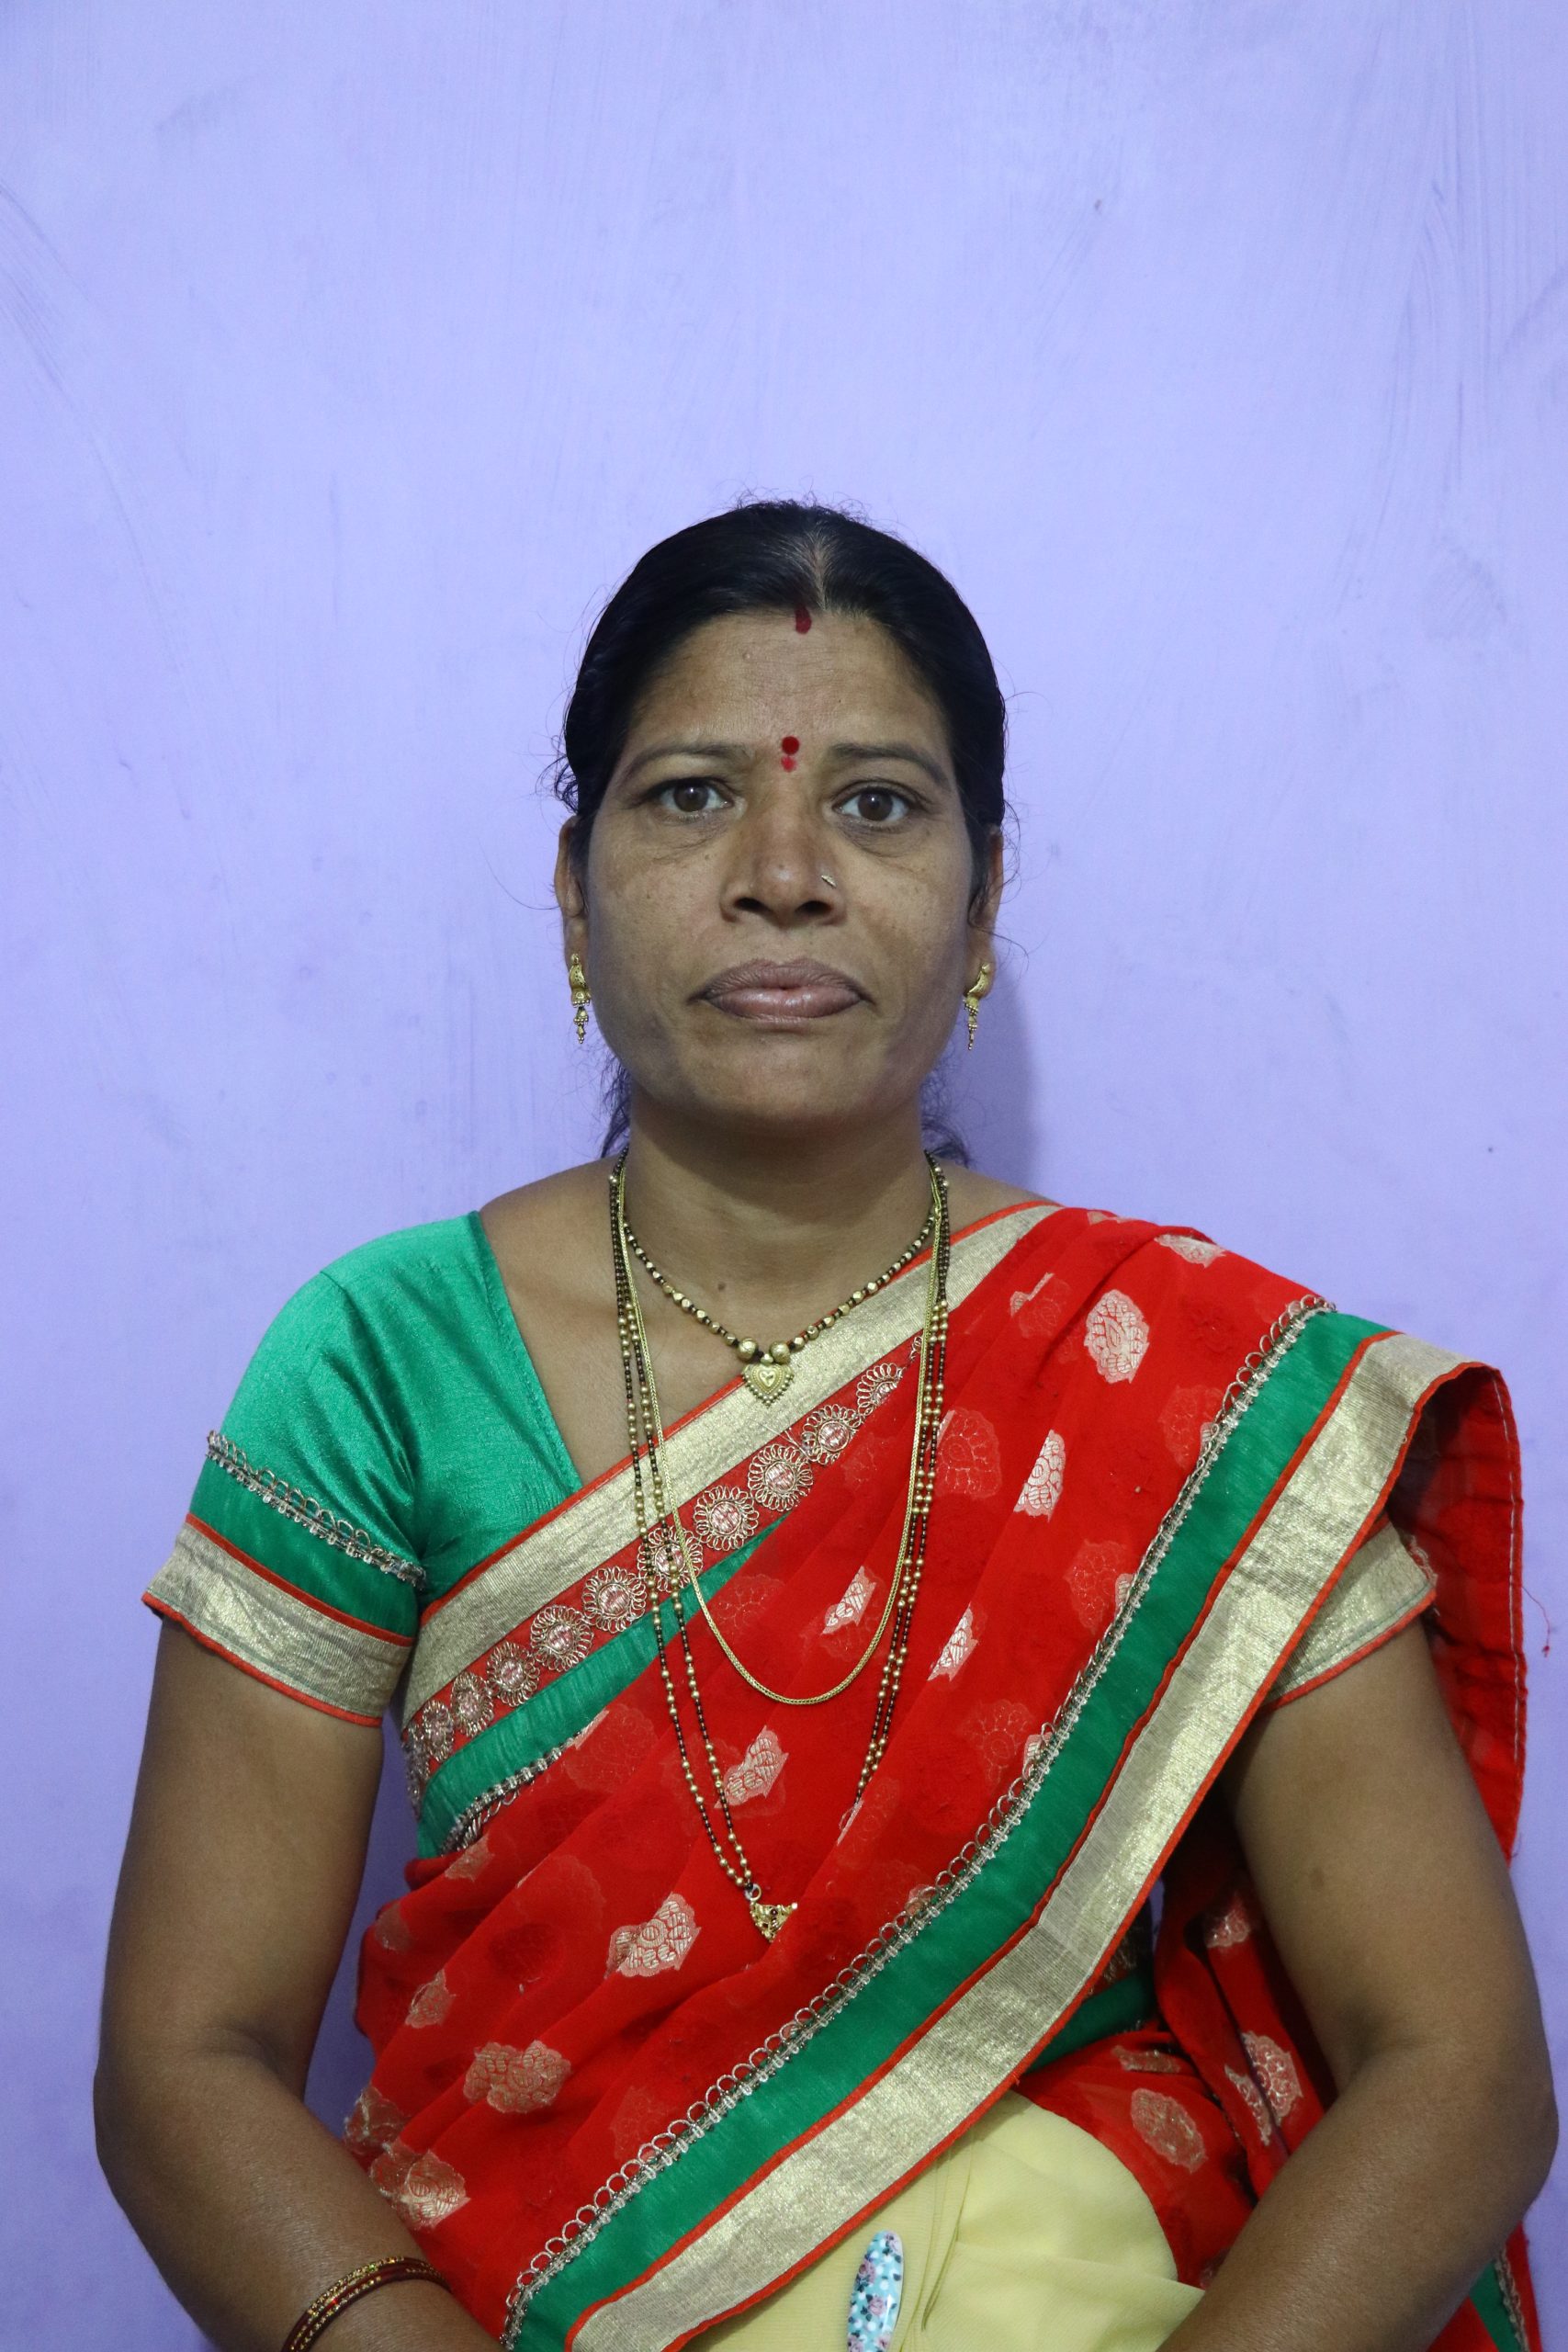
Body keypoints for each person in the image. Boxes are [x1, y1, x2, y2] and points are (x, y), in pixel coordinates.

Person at [97, 501, 1553, 2352]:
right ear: (572, 892)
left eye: (874, 803)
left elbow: (1455, 2067)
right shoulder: (386, 1360)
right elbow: (189, 2061)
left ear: (983, 899)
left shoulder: (1184, 1378)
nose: (782, 871)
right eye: (691, 795)